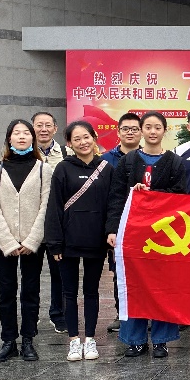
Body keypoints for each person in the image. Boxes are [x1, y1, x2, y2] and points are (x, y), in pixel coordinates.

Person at [106, 111, 187, 358]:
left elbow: (180, 197)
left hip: (163, 236)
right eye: (148, 127)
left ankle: (161, 340)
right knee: (133, 285)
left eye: (157, 127)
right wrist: (112, 229)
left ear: (165, 130)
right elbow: (116, 196)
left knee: (163, 287)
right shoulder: (128, 161)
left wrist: (150, 195)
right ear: (141, 130)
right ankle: (135, 340)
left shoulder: (175, 162)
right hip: (132, 233)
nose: (153, 132)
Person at [45, 121, 113, 363]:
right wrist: (54, 242)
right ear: (69, 144)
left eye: (86, 137)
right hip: (68, 241)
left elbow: (112, 204)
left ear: (94, 138)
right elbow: (54, 206)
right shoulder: (63, 168)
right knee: (69, 292)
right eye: (77, 139)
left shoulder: (106, 168)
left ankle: (90, 338)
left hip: (96, 240)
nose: (83, 142)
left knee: (91, 291)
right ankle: (74, 339)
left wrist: (110, 233)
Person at [0, 119, 51, 363]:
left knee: (31, 291)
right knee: (6, 291)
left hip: (34, 243)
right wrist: (8, 242)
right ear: (9, 138)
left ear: (33, 138)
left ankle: (28, 340)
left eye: (26, 133)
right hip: (5, 244)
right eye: (16, 133)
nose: (21, 136)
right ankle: (9, 341)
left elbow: (46, 206)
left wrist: (32, 241)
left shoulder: (43, 169)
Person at [101, 112, 142, 333]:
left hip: (143, 225)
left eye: (135, 129)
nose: (130, 133)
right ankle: (121, 313)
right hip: (117, 223)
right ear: (118, 132)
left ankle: (145, 313)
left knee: (144, 270)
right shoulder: (106, 160)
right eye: (126, 129)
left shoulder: (149, 158)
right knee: (119, 270)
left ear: (141, 132)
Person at [32, 111, 68, 334]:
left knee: (60, 274)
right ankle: (32, 314)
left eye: (48, 125)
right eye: (39, 125)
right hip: (31, 225)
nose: (43, 129)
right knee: (31, 274)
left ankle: (58, 314)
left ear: (55, 128)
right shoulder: (23, 153)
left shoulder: (66, 153)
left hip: (58, 224)